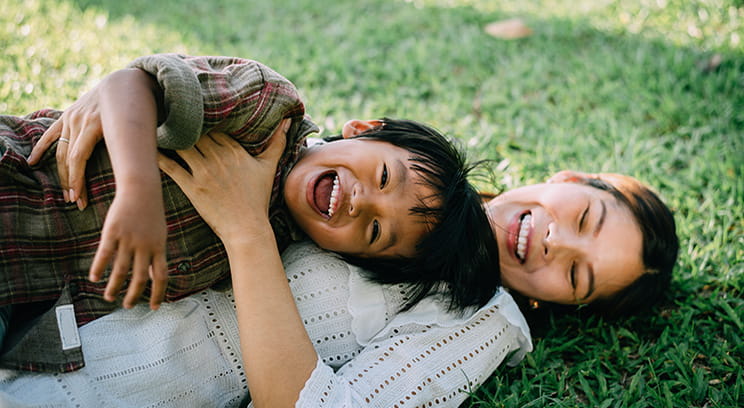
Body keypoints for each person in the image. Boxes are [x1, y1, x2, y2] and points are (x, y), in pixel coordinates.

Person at [0, 131, 678, 407]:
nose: (557, 245)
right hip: (54, 264)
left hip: (94, 377)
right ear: (568, 178)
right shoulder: (425, 174)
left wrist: (245, 236)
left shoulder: (480, 315)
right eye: (584, 218)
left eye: (578, 276)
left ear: (559, 304)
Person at [0, 54, 499, 373]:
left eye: (373, 230)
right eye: (385, 177)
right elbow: (130, 84)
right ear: (364, 128)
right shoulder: (265, 108)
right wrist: (138, 190)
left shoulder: (271, 247)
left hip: (21, 299)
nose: (360, 201)